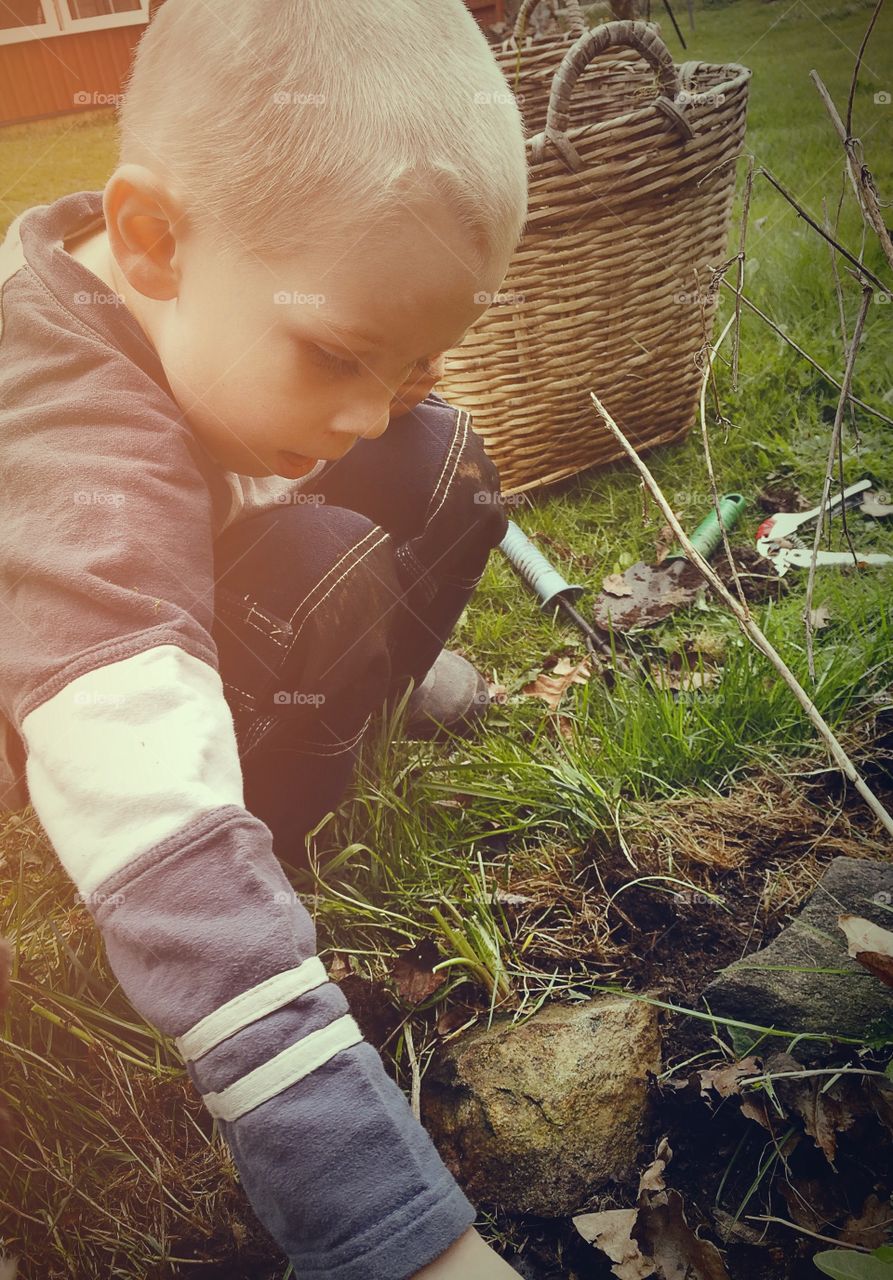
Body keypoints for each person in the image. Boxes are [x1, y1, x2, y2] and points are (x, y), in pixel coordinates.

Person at [0, 0, 530, 1276]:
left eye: (401, 360)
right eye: (341, 353)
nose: (361, 408)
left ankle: (368, 685)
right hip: (73, 743)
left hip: (152, 629)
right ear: (153, 240)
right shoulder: (73, 453)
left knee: (438, 457)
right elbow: (163, 849)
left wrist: (381, 385)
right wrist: (392, 1233)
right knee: (318, 560)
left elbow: (344, 411)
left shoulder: (190, 285)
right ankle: (283, 791)